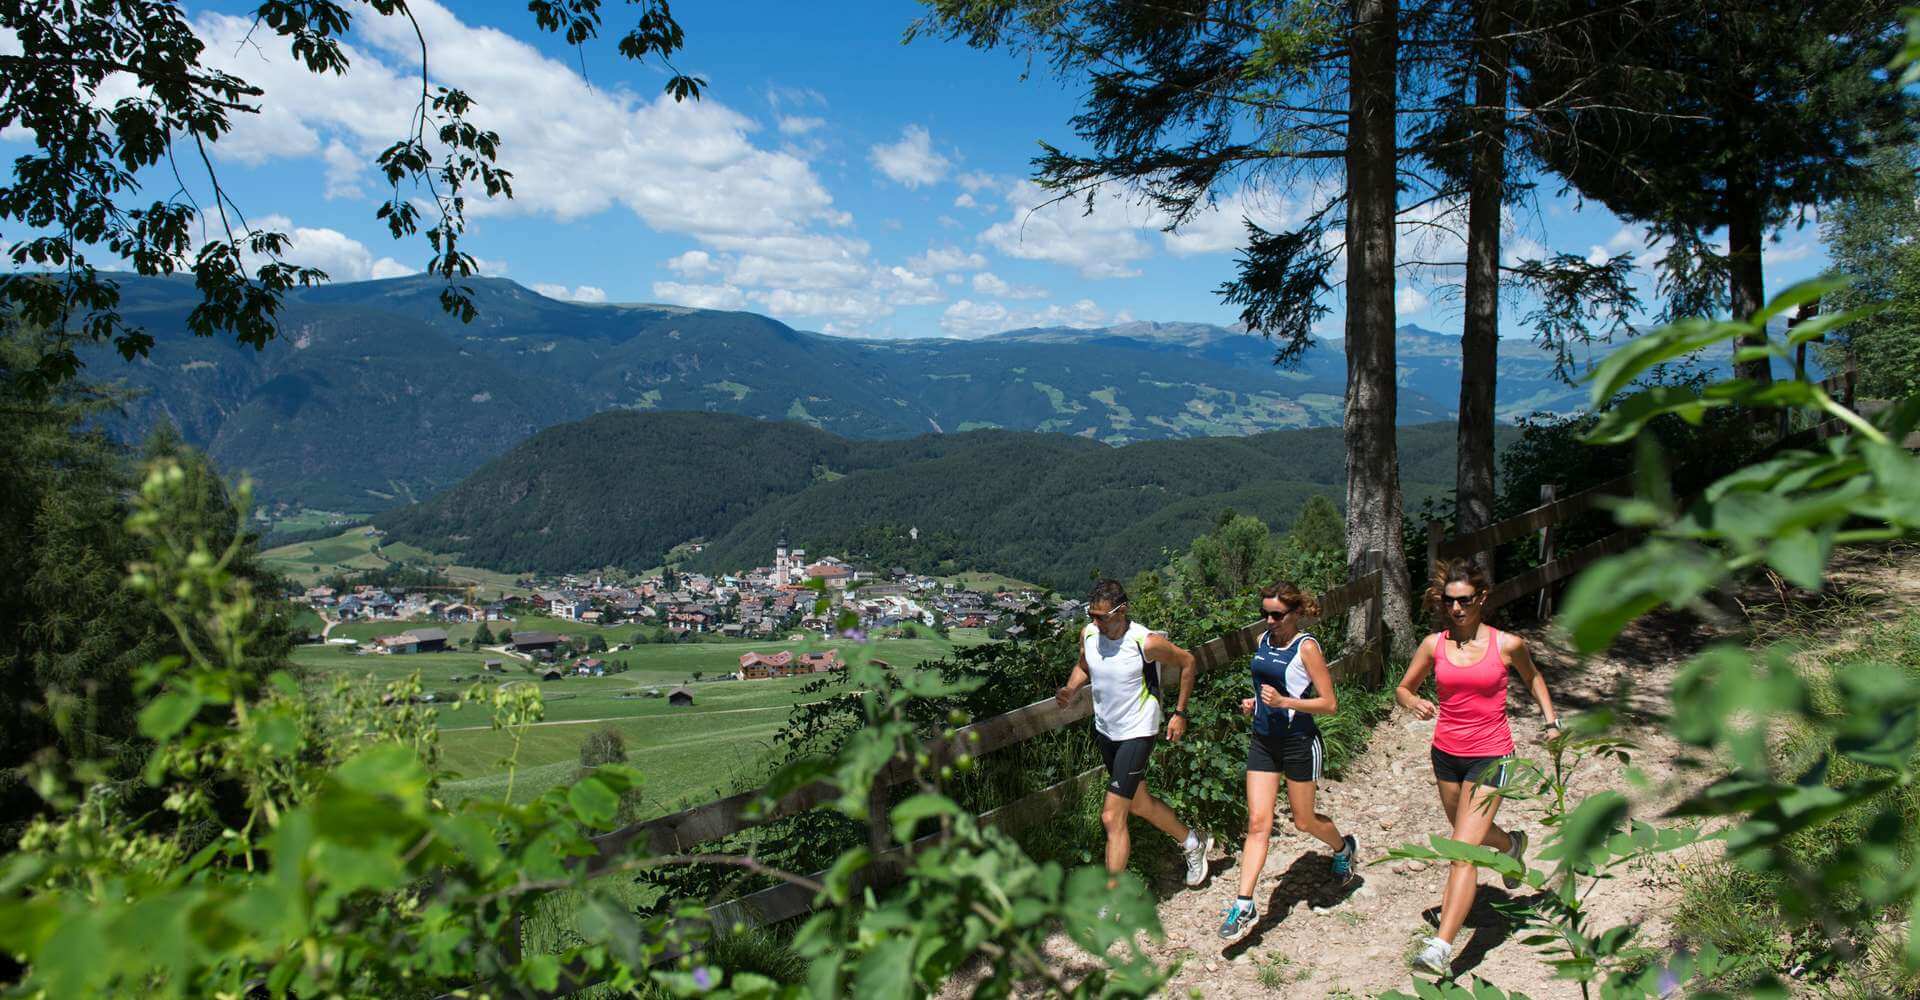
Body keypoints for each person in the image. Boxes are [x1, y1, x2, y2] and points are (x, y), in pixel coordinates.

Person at [1395, 558, 1561, 976]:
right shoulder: (1434, 645)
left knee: (1461, 852)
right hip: (1446, 754)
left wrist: (1552, 722)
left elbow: (1534, 677)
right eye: (1450, 601)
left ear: (1481, 598)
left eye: (1464, 600)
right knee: (1466, 832)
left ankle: (1440, 947)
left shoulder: (1507, 645)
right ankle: (1511, 847)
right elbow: (1403, 687)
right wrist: (1413, 701)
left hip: (1492, 755)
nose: (1456, 608)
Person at [1218, 581, 1357, 939]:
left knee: (1304, 820)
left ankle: (1343, 848)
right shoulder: (1265, 641)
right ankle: (1244, 904)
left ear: (1295, 613)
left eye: (1277, 614)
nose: (1269, 620)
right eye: (1264, 613)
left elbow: (1329, 703)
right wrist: (1256, 703)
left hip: (1299, 741)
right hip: (1264, 741)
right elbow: (1264, 686)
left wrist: (1284, 703)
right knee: (1258, 823)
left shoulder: (1306, 647)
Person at [1056, 579, 1214, 892]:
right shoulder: (1089, 634)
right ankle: (1193, 842)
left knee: (1112, 817)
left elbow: (1188, 662)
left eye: (1102, 616)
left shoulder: (1145, 641)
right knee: (1139, 804)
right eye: (1091, 615)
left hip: (1138, 731)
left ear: (1122, 610)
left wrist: (1179, 713)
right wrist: (1071, 689)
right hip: (1106, 731)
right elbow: (1084, 665)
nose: (1095, 622)